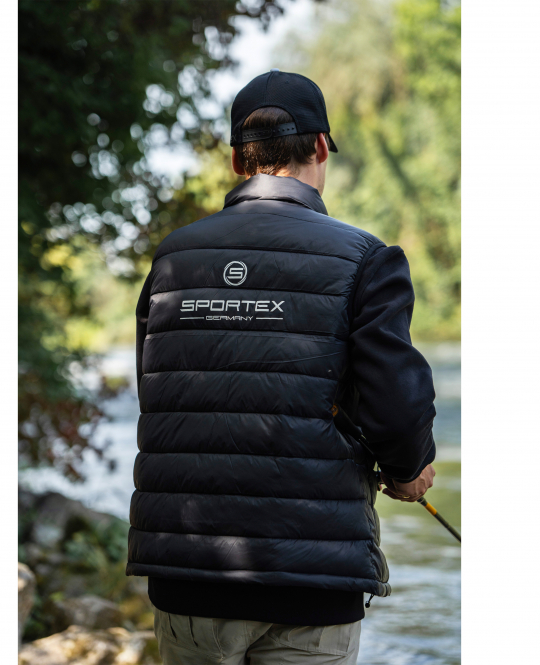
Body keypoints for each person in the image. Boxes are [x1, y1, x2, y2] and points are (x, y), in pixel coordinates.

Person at [126, 70, 436, 664]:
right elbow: (395, 399)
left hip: (187, 571)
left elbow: (157, 391)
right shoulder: (368, 260)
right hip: (312, 582)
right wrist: (407, 469)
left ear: (238, 160)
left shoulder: (172, 259)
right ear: (320, 147)